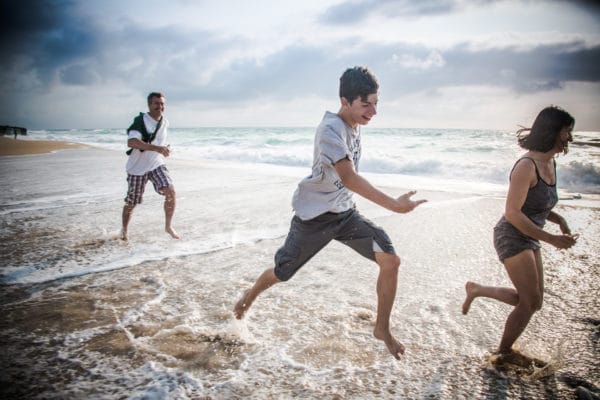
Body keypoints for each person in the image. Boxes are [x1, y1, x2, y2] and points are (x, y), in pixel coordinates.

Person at [233, 66, 426, 360]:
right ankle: (249, 295)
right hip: (314, 219)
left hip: (346, 214)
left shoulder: (355, 125)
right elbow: (349, 177)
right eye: (366, 104)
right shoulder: (329, 130)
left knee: (391, 260)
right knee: (282, 273)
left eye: (376, 103)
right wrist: (395, 205)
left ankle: (382, 329)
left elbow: (347, 185)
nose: (373, 111)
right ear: (345, 101)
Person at [462, 106, 578, 364]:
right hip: (511, 235)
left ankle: (477, 289)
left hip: (529, 235)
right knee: (529, 301)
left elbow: (537, 205)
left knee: (534, 301)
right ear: (552, 131)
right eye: (566, 131)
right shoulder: (526, 166)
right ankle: (502, 352)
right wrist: (552, 240)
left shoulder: (550, 163)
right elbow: (513, 213)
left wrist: (559, 220)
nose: (569, 137)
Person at [121, 92, 179, 241]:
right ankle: (124, 231)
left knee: (171, 192)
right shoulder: (140, 121)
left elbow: (159, 143)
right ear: (149, 105)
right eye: (156, 103)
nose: (160, 106)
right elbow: (131, 142)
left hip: (156, 164)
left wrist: (164, 149)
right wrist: (157, 148)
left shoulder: (165, 122)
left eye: (162, 104)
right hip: (137, 168)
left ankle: (168, 226)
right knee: (132, 202)